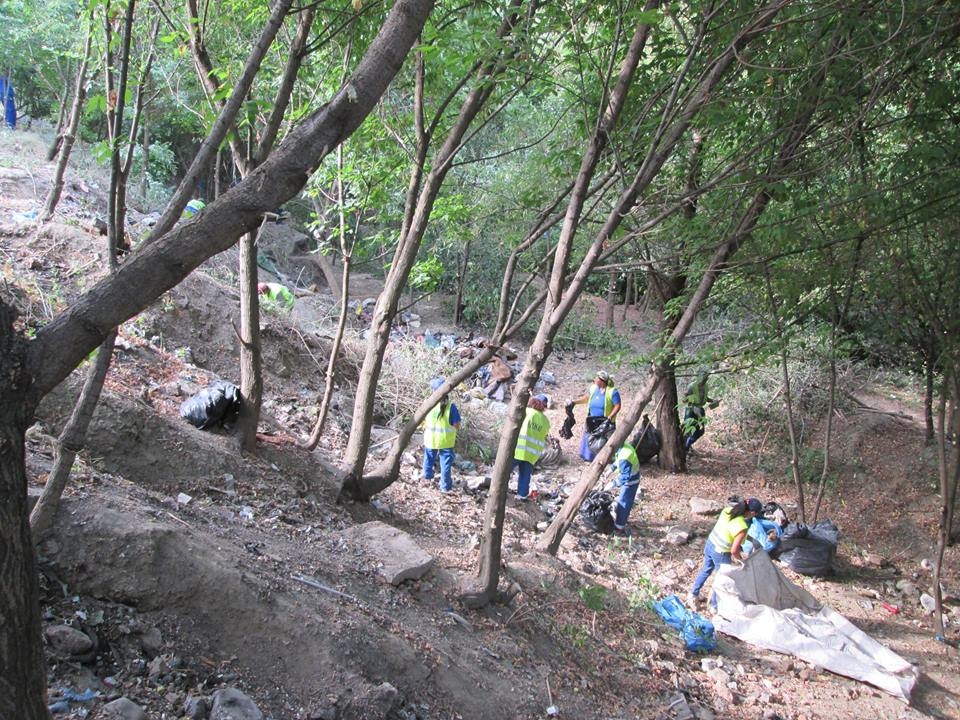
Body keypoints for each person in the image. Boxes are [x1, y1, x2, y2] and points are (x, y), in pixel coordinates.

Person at [688, 497, 762, 609]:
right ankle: (714, 605)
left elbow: (729, 529)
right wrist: (741, 561)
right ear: (752, 513)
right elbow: (734, 550)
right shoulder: (742, 526)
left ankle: (693, 594)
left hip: (710, 544)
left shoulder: (727, 511)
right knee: (722, 579)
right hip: (721, 552)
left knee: (706, 569)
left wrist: (750, 539)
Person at [569, 370, 621, 462]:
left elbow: (617, 405)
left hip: (605, 421)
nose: (595, 379)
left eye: (597, 378)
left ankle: (605, 459)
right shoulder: (593, 388)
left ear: (602, 380)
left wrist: (610, 416)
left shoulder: (612, 392)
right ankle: (589, 458)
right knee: (590, 437)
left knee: (605, 440)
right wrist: (575, 402)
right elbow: (586, 398)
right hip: (592, 419)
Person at [422, 378, 461, 494]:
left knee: (428, 460)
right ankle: (445, 487)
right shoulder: (451, 407)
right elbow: (457, 425)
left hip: (430, 439)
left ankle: (427, 479)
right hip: (446, 441)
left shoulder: (427, 404)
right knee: (445, 465)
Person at [512, 395, 550, 501]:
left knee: (507, 469)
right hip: (533, 453)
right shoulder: (546, 421)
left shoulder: (527, 412)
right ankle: (522, 495)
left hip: (520, 448)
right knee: (525, 474)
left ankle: (498, 488)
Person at [606, 434, 643, 535]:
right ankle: (620, 520)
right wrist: (611, 469)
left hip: (631, 481)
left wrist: (613, 483)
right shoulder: (624, 447)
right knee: (623, 501)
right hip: (630, 478)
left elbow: (625, 476)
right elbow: (618, 460)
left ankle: (619, 527)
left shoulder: (625, 455)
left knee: (624, 502)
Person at [682, 373, 718, 453]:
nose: (705, 379)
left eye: (706, 378)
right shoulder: (691, 386)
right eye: (703, 377)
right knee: (687, 431)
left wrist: (713, 401)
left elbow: (705, 397)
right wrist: (690, 401)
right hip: (691, 410)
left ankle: (686, 447)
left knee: (700, 430)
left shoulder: (706, 387)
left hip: (700, 409)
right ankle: (685, 449)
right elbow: (684, 399)